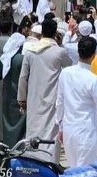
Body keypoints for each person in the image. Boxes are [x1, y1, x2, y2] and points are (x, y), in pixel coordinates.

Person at [56, 37, 97, 167]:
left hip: (69, 131)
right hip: (86, 133)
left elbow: (59, 103)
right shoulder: (93, 80)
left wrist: (60, 128)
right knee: (85, 173)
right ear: (94, 55)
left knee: (73, 170)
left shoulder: (65, 73)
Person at [18, 19, 73, 163]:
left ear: (41, 32)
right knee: (50, 131)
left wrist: (21, 98)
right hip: (52, 97)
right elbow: (70, 66)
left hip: (33, 97)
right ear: (56, 33)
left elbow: (23, 77)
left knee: (33, 128)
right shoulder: (59, 51)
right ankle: (49, 162)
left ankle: (32, 160)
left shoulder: (30, 51)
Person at [0, 17, 29, 147]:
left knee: (7, 122)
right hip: (20, 96)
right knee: (20, 123)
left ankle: (8, 146)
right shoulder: (23, 59)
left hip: (7, 95)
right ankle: (18, 147)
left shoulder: (3, 59)